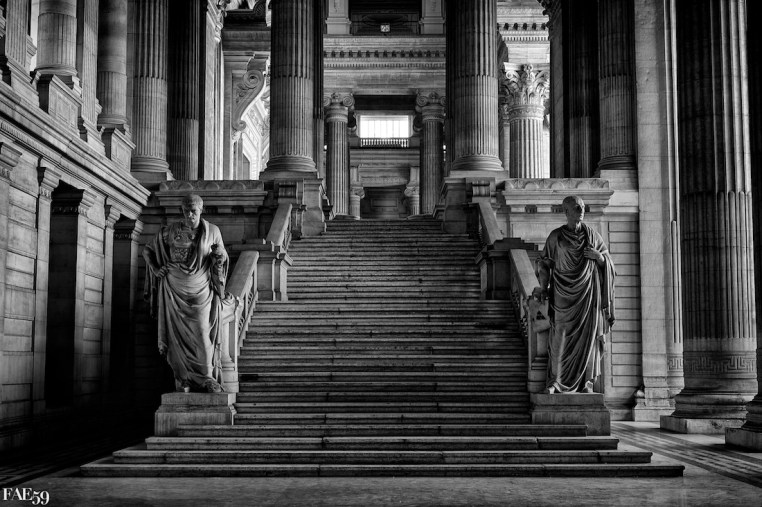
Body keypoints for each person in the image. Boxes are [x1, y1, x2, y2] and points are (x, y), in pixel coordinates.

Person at [143, 194, 229, 393]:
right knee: (176, 340)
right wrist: (156, 269)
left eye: (194, 211)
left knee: (202, 333)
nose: (190, 215)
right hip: (173, 289)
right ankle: (183, 379)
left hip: (201, 290)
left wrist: (219, 255)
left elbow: (222, 256)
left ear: (201, 210)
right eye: (186, 211)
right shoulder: (170, 231)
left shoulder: (212, 231)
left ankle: (207, 378)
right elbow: (147, 250)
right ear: (181, 210)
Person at [532, 195, 616, 394]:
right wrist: (543, 287)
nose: (581, 211)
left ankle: (586, 383)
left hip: (588, 295)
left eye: (583, 207)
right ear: (566, 212)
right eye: (577, 208)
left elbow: (609, 263)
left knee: (588, 340)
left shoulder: (593, 236)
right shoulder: (556, 237)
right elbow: (544, 263)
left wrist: (600, 258)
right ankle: (555, 381)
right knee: (560, 338)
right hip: (562, 295)